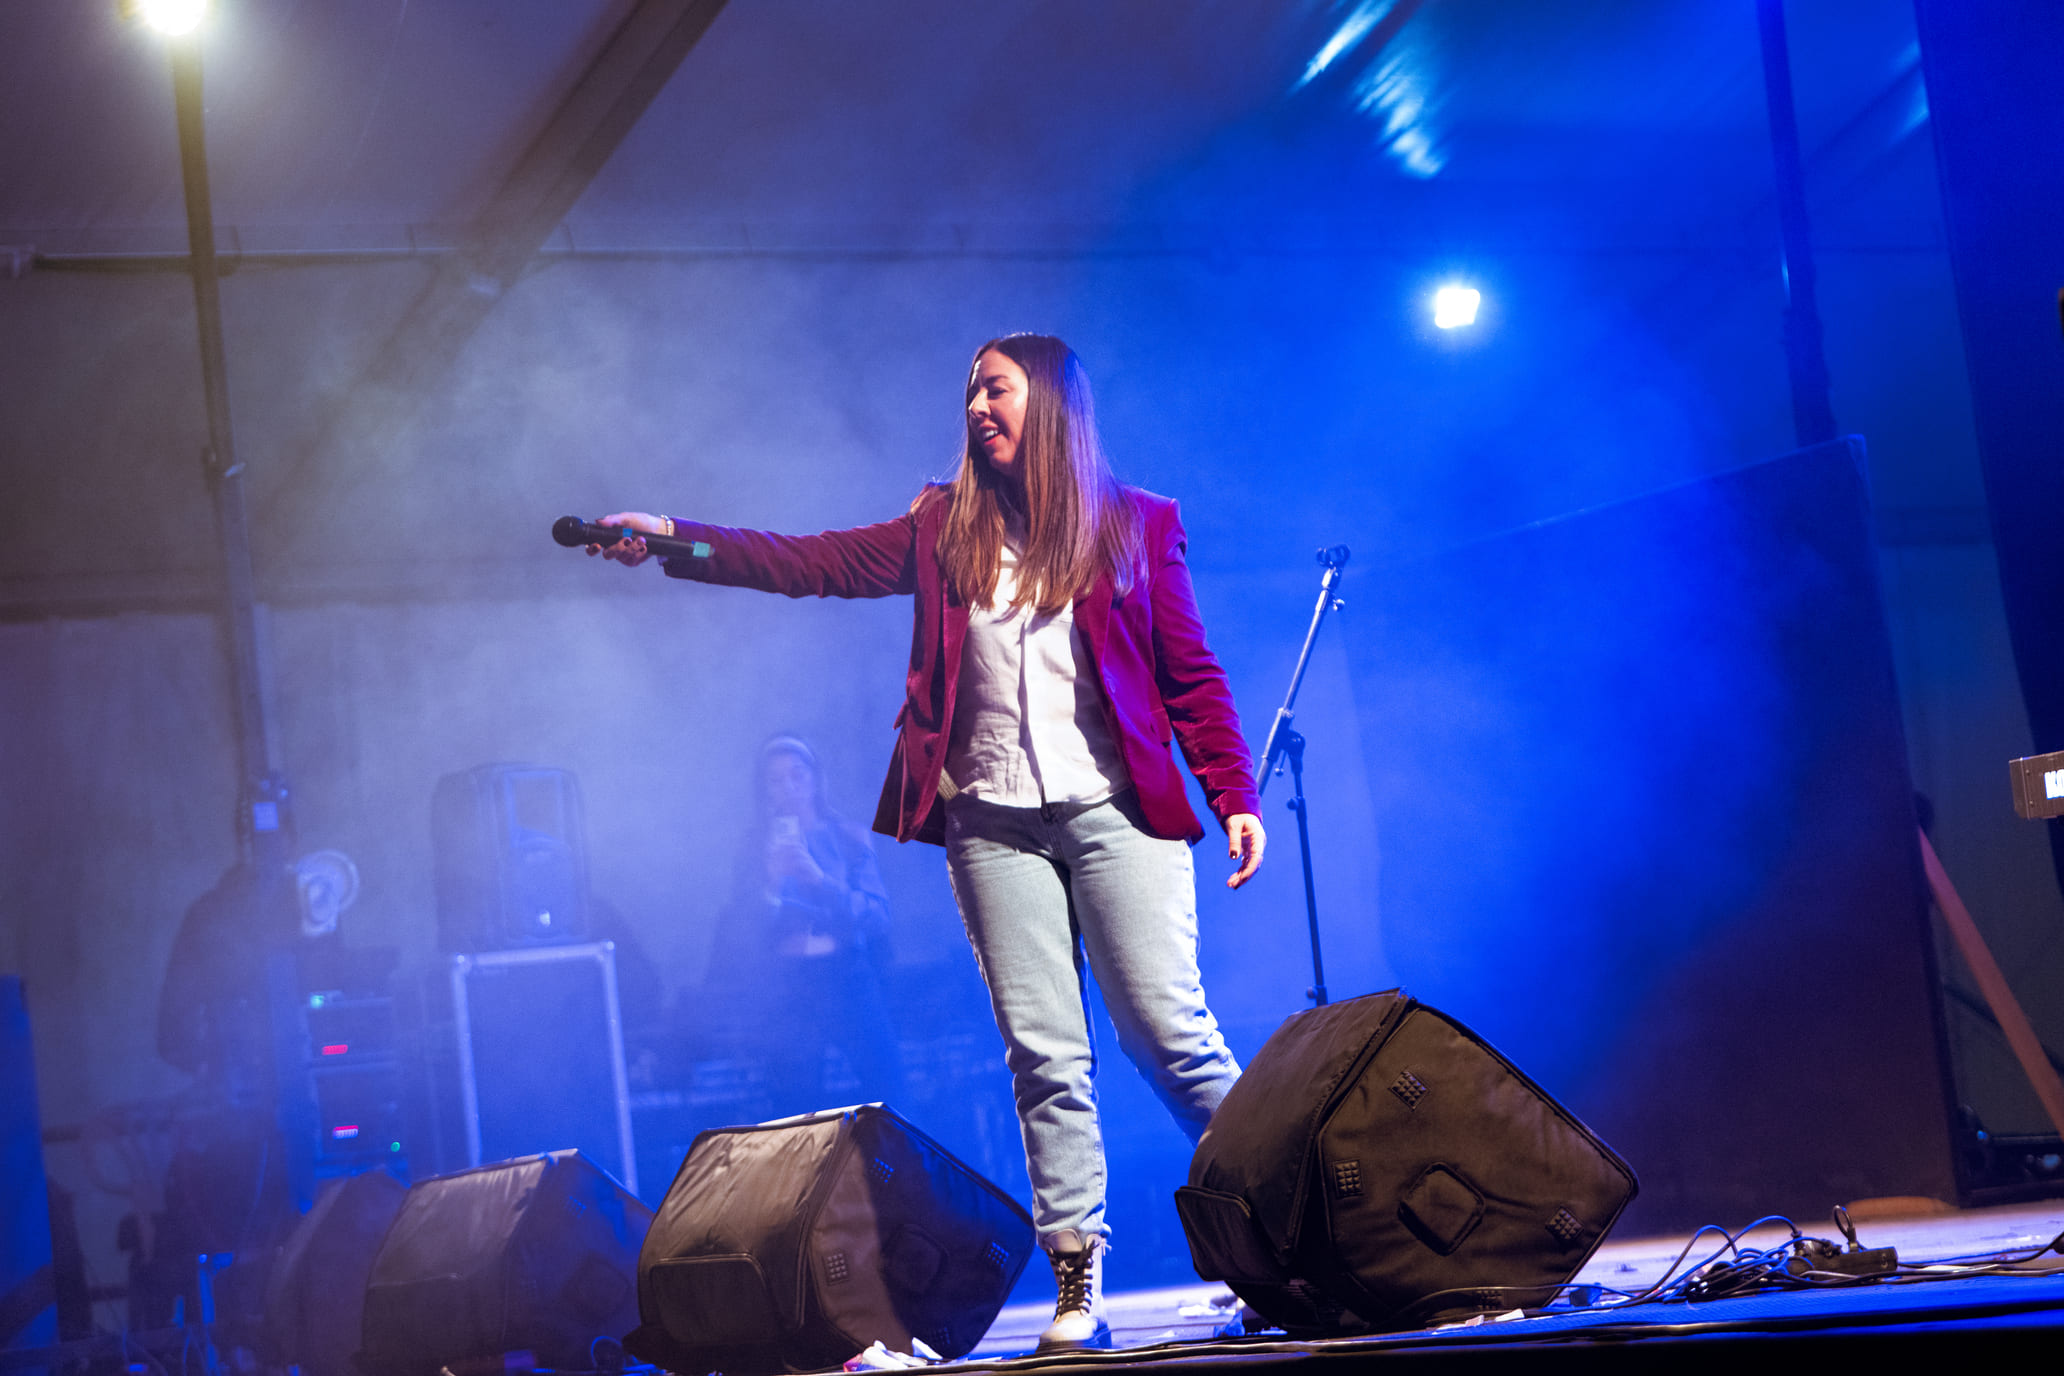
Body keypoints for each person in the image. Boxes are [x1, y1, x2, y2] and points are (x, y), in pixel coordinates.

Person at [589, 333, 1264, 1353]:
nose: (978, 407)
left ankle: (1297, 1223)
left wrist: (1233, 791)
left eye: (997, 389)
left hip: (1116, 812)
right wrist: (676, 539)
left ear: (1052, 404)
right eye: (971, 393)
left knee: (1169, 1038)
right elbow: (809, 563)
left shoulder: (1136, 524)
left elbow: (1190, 672)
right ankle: (1078, 1279)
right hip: (991, 824)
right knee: (1046, 1056)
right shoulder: (943, 527)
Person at [702, 735, 903, 1114]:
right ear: (765, 791)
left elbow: (878, 916)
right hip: (787, 985)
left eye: (798, 775)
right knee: (795, 1106)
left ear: (815, 779)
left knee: (891, 1093)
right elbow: (739, 933)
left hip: (847, 976)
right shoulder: (753, 849)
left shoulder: (849, 837)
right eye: (776, 780)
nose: (789, 787)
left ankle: (894, 1155)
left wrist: (819, 879)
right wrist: (771, 887)